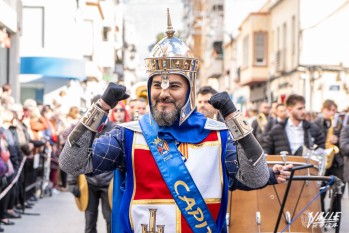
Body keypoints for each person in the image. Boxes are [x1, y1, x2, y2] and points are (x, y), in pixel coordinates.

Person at [59, 10, 290, 233]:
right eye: (157, 85)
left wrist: (232, 118)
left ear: (190, 91)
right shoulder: (127, 136)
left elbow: (252, 177)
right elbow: (72, 163)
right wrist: (100, 107)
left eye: (175, 86)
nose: (163, 93)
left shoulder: (217, 136)